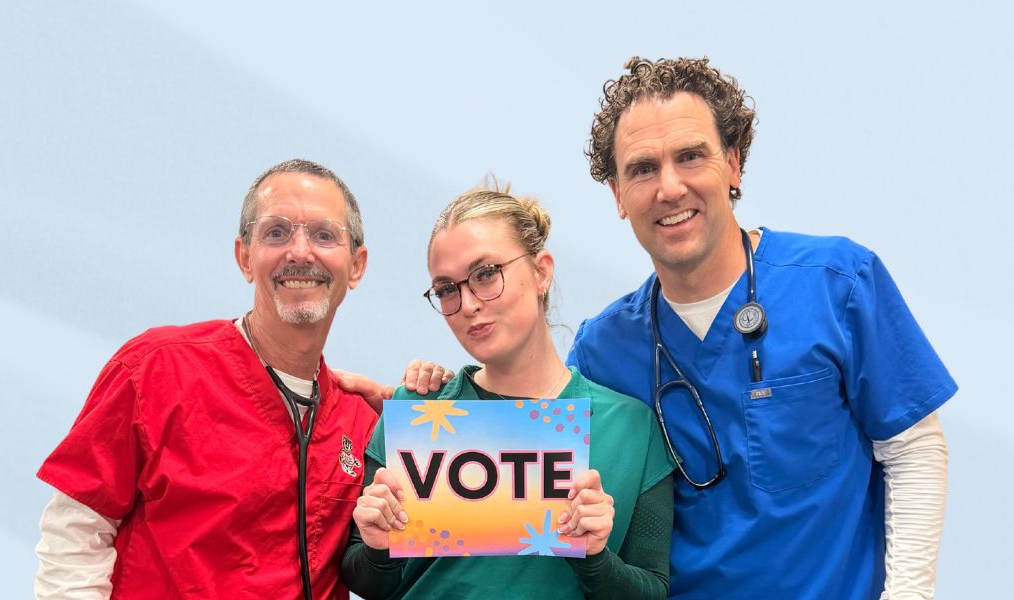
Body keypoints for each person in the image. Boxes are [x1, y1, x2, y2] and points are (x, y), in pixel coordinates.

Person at [567, 57, 952, 599]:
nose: (669, 188)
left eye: (690, 156)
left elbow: (913, 450)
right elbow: (537, 479)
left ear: (733, 164)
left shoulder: (838, 284)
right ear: (617, 195)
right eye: (643, 168)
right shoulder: (602, 351)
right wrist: (449, 395)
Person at [34, 159, 380, 599]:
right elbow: (74, 533)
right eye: (276, 232)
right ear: (244, 257)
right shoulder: (156, 368)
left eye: (323, 235)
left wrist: (427, 409)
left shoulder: (362, 422)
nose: (299, 252)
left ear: (356, 265)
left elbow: (433, 562)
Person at [341, 180, 675, 599]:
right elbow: (365, 579)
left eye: (486, 274)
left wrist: (594, 557)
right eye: (447, 289)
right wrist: (378, 549)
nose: (468, 304)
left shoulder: (630, 430)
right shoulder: (416, 411)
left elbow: (652, 590)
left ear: (541, 272)